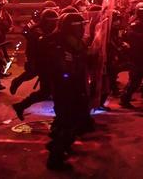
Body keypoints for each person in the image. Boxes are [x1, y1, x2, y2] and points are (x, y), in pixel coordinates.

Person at [41, 12, 88, 171]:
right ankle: (55, 157)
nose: (82, 29)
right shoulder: (60, 44)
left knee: (68, 121)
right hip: (65, 88)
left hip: (72, 87)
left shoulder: (73, 42)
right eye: (79, 26)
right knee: (67, 121)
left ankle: (57, 145)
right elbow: (65, 69)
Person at [12, 9, 59, 120]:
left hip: (49, 63)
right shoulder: (37, 31)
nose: (53, 24)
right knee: (48, 90)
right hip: (42, 63)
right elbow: (41, 41)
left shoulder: (50, 31)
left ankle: (21, 105)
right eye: (51, 22)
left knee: (47, 91)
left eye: (55, 21)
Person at [119, 2, 143, 108]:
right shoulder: (135, 24)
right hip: (137, 55)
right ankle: (124, 99)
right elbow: (129, 36)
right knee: (135, 79)